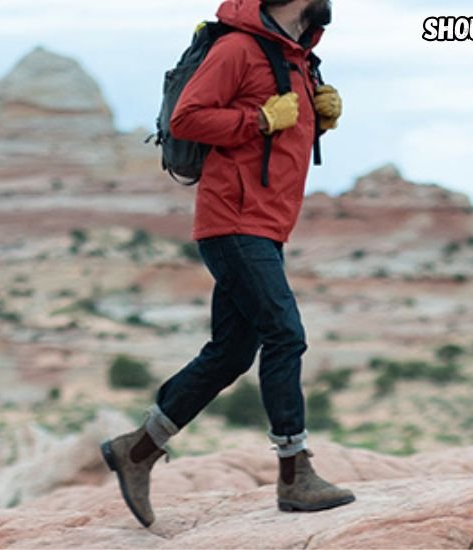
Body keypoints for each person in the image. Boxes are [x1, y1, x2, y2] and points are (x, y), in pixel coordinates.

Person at [100, 0, 354, 528]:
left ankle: (138, 449)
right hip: (233, 220)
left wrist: (317, 121)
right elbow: (187, 118)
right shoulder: (238, 48)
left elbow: (274, 144)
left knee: (232, 352)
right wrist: (260, 117)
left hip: (265, 223)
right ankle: (294, 472)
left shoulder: (297, 60)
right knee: (285, 333)